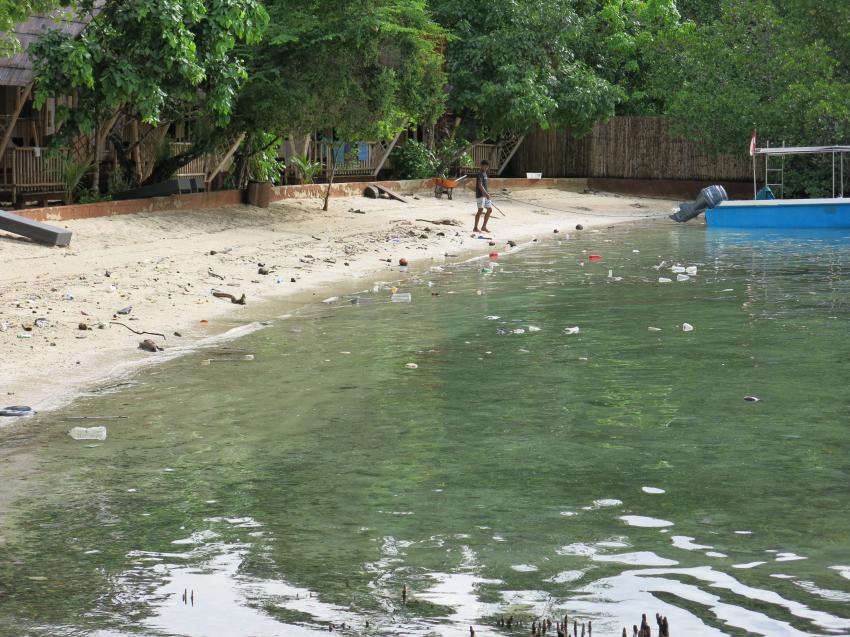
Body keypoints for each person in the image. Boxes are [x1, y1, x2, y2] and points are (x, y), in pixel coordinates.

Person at [473, 160, 493, 233]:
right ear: (481, 166)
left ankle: (484, 227)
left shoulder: (485, 174)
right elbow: (480, 185)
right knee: (480, 210)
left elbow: (484, 185)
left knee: (489, 210)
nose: (486, 168)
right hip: (480, 195)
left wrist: (487, 193)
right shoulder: (479, 174)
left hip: (485, 195)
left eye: (487, 167)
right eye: (484, 166)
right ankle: (475, 227)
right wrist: (486, 193)